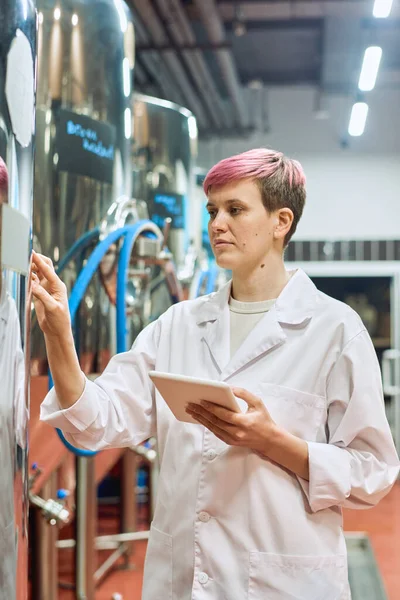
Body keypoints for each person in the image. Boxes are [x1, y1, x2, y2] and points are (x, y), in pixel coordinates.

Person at [33, 148, 399, 600]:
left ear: (281, 222)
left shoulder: (334, 329)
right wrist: (60, 340)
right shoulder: (178, 325)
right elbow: (97, 422)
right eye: (212, 210)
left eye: (235, 209)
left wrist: (273, 441)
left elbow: (373, 471)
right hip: (182, 578)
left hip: (285, 582)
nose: (216, 224)